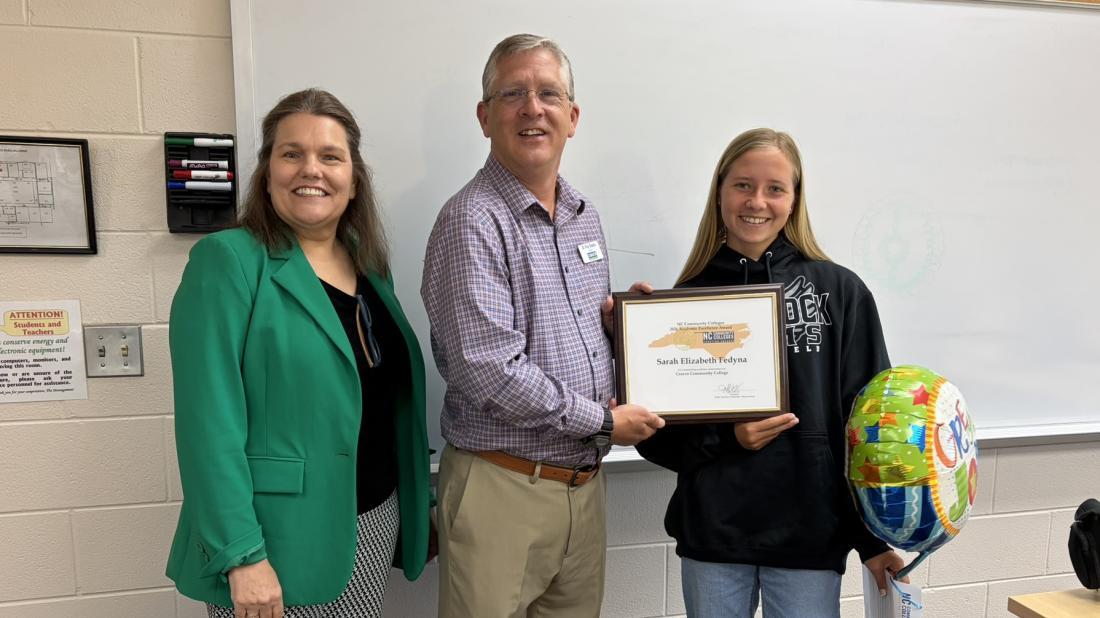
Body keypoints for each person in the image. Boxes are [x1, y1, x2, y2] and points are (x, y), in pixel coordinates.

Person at [421, 34, 665, 617]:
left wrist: (625, 332)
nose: (533, 108)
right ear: (485, 117)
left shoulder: (584, 216)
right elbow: (490, 372)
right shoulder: (470, 221)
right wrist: (603, 422)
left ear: (572, 116)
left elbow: (564, 335)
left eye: (549, 93)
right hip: (501, 488)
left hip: (582, 489)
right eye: (513, 94)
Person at [165, 88, 432, 618]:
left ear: (354, 180)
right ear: (268, 173)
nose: (312, 169)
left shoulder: (369, 268)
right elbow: (207, 427)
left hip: (371, 518)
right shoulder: (228, 261)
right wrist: (242, 556)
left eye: (331, 156)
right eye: (292, 154)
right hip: (275, 537)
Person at [635, 128, 905, 617]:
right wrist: (728, 437)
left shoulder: (839, 292)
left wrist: (871, 540)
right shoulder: (685, 300)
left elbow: (869, 429)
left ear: (794, 198)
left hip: (810, 538)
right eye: (742, 185)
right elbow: (654, 440)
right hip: (714, 538)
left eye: (775, 188)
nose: (757, 201)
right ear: (719, 192)